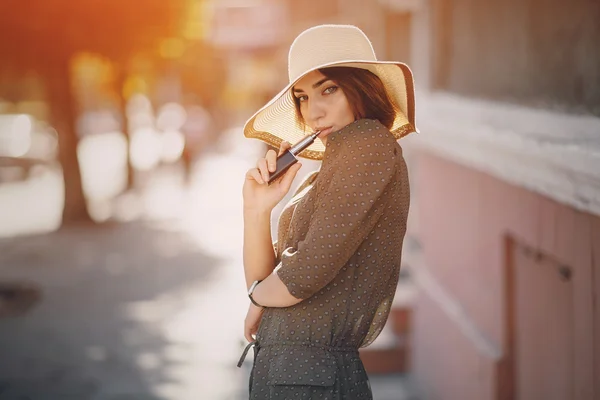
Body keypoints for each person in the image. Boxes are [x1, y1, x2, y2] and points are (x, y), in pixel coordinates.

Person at [239, 24, 417, 400]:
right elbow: (264, 279)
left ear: (362, 89)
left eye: (329, 89)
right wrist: (256, 210)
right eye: (302, 97)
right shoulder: (325, 175)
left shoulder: (368, 143)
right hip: (291, 373)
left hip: (309, 379)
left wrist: (258, 299)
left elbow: (299, 277)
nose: (313, 111)